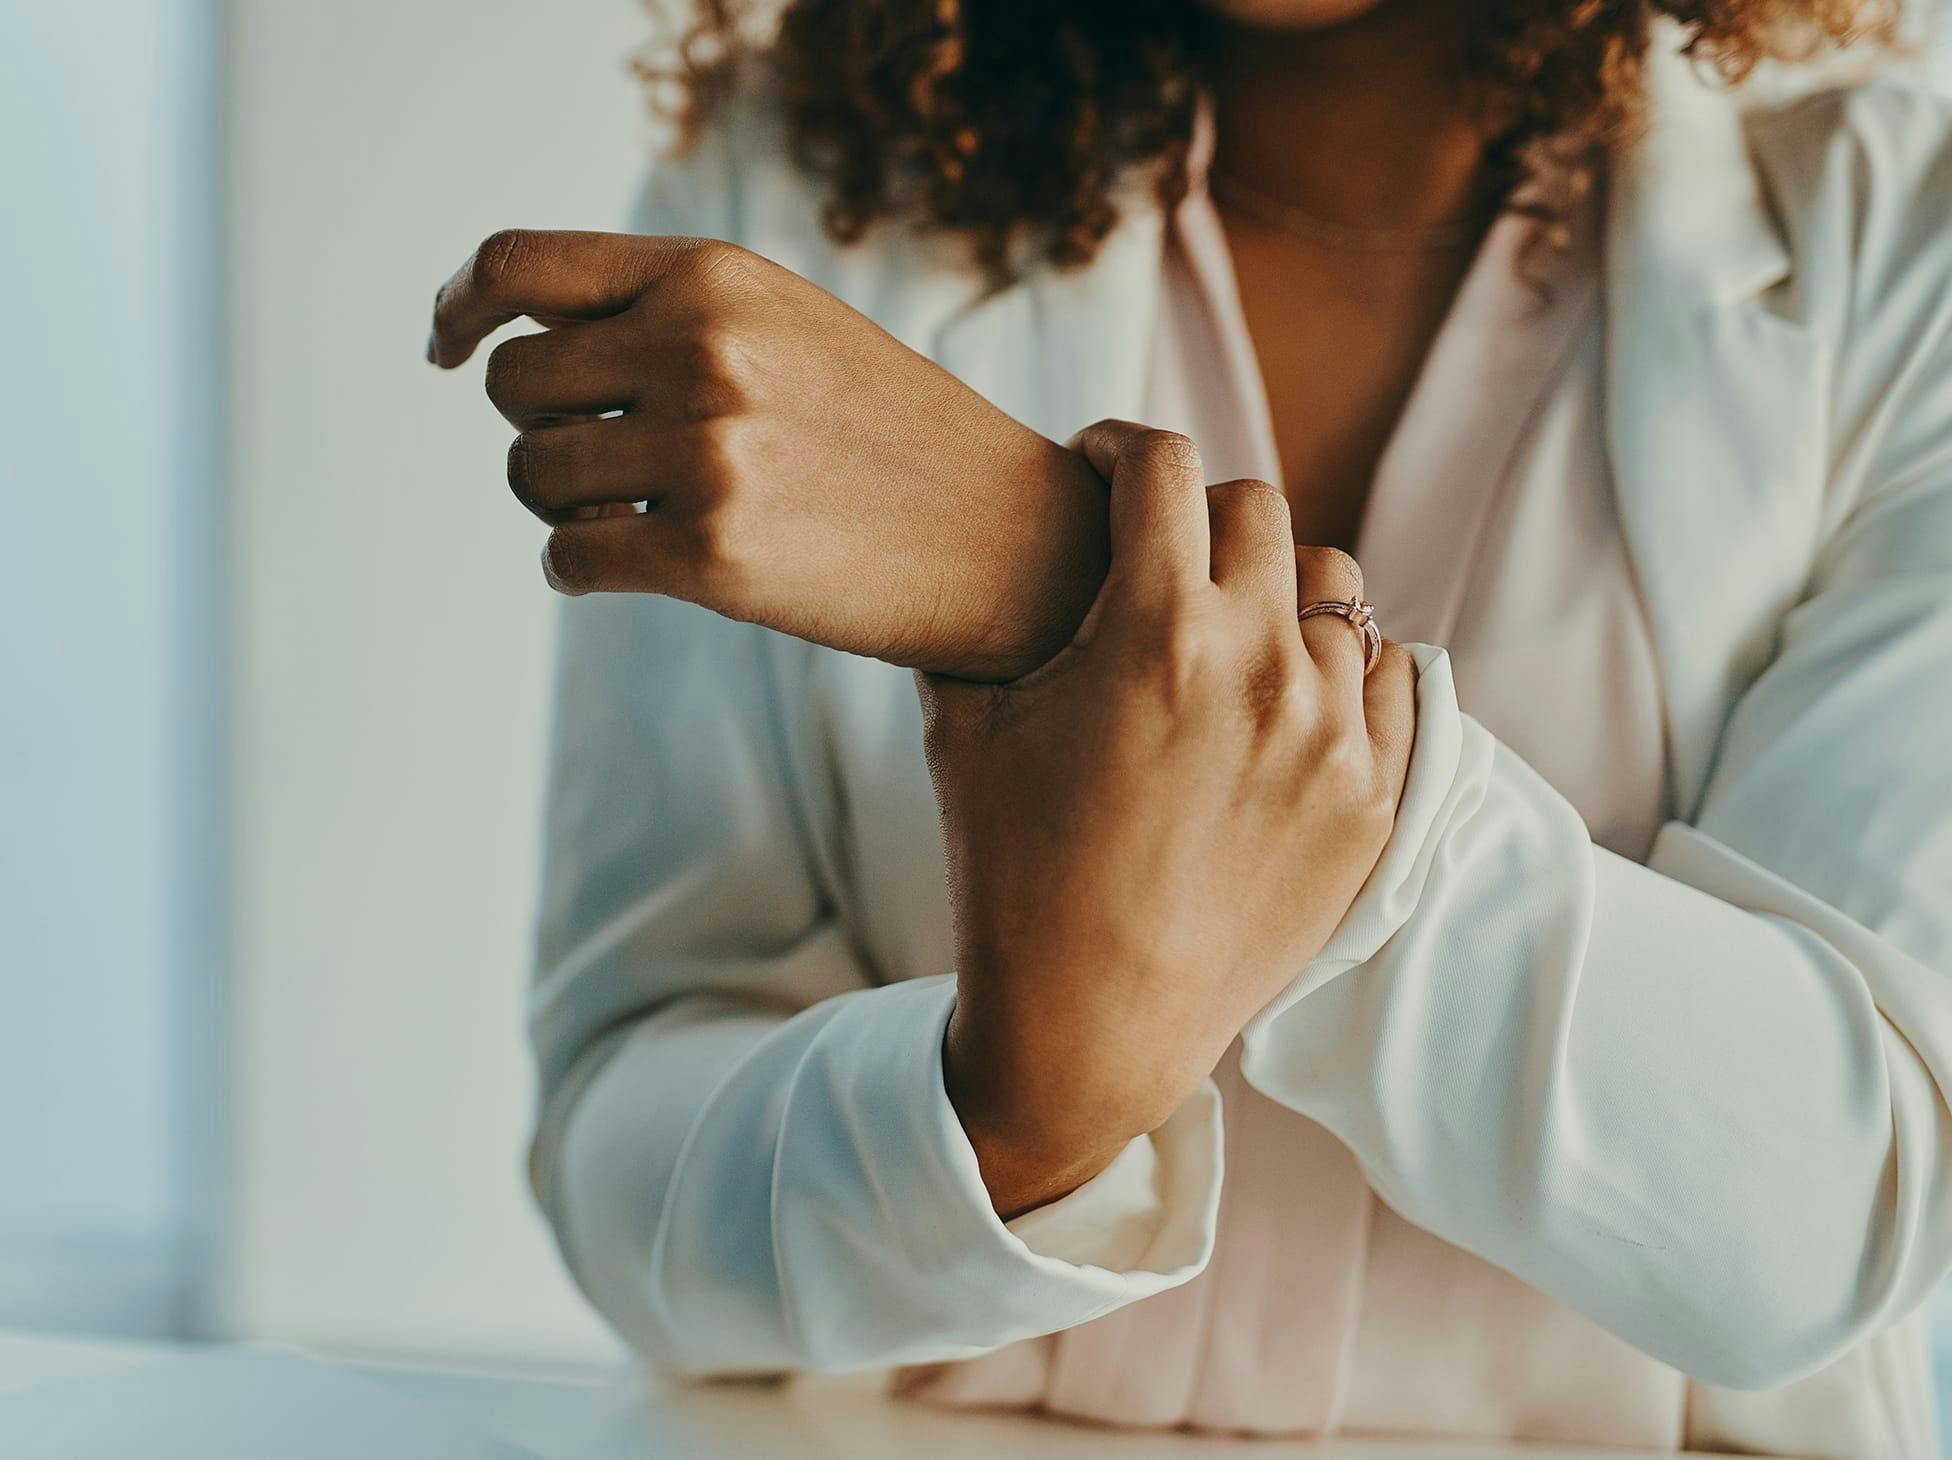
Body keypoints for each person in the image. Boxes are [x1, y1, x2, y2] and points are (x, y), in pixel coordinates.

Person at [426, 1, 1952, 1453]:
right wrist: (1006, 1128)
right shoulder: (795, 187)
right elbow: (626, 1156)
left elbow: (1830, 1209)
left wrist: (1047, 578)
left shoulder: (1902, 244)